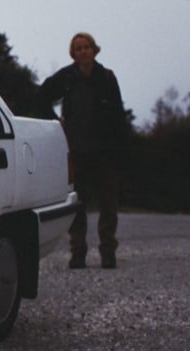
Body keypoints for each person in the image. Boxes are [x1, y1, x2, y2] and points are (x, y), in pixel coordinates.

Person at [36, 32, 127, 269]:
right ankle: (78, 253)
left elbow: (118, 116)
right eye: (78, 48)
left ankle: (108, 252)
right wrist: (55, 121)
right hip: (76, 151)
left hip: (104, 153)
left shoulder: (106, 77)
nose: (83, 51)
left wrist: (121, 151)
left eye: (87, 47)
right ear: (73, 54)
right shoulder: (67, 77)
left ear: (94, 50)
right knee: (78, 206)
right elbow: (42, 95)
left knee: (108, 205)